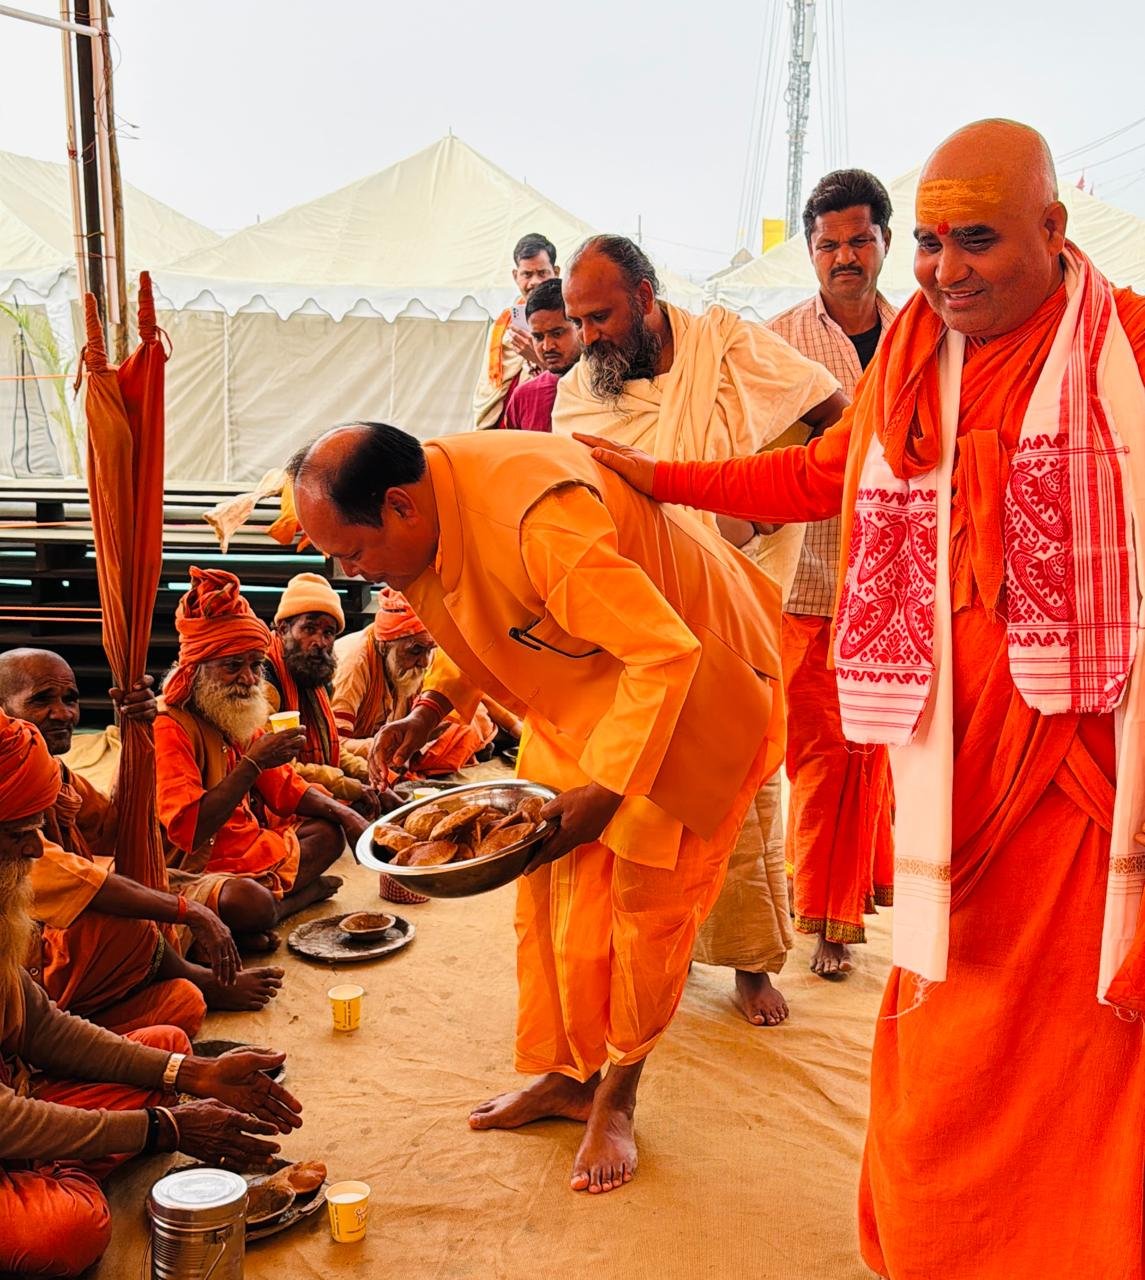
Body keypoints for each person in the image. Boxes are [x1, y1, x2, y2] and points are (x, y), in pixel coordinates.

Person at [580, 119, 1145, 1277]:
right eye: (930, 242)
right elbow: (810, 476)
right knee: (943, 1017)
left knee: (1094, 1035)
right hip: (953, 768)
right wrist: (662, 477)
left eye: (974, 238)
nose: (942, 270)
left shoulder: (1124, 346)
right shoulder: (910, 359)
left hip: (1092, 773)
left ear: (1053, 229)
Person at [287, 421, 784, 1195]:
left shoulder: (539, 520)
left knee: (645, 909)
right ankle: (566, 1075)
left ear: (398, 508)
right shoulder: (438, 489)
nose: (347, 570)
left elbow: (665, 653)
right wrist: (436, 701)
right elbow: (479, 594)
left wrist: (611, 790)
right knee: (550, 889)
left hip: (698, 686)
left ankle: (615, 1097)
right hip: (585, 691)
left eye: (349, 552)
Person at [552, 234, 847, 1026]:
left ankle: (751, 960)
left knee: (744, 785)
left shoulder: (728, 347)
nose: (589, 340)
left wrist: (756, 510)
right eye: (577, 323)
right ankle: (651, 964)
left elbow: (836, 421)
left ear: (646, 297)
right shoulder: (581, 392)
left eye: (602, 317)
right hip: (644, 613)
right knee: (649, 789)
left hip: (740, 599)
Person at [0, 705, 303, 1278]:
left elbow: (39, 1026)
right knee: (69, 1230)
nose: (37, 851)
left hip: (17, 1095)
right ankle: (52, 1171)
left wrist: (192, 1077)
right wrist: (165, 1129)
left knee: (168, 1043)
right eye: (20, 835)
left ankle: (57, 1155)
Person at [0, 649, 283, 1032]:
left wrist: (137, 735)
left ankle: (165, 972)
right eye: (42, 700)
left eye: (70, 700)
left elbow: (116, 829)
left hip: (218, 860)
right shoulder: (176, 723)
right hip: (32, 950)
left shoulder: (57, 772)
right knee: (123, 914)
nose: (64, 714)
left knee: (184, 1003)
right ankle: (189, 969)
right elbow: (80, 876)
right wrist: (188, 912)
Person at [766, 169, 898, 977]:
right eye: (828, 245)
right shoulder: (778, 341)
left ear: (884, 240)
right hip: (808, 579)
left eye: (858, 240)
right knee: (815, 756)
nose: (844, 256)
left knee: (874, 752)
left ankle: (848, 900)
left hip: (896, 583)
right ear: (810, 253)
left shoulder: (926, 330)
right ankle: (819, 913)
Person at [154, 568, 369, 952]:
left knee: (328, 831)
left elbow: (286, 785)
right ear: (197, 668)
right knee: (248, 903)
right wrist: (251, 765)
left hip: (251, 846)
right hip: (194, 868)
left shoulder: (235, 712)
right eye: (232, 666)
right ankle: (287, 903)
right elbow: (189, 831)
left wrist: (346, 813)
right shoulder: (170, 726)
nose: (250, 679)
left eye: (255, 664)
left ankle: (268, 908)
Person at [332, 586, 497, 777]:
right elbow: (336, 743)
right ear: (386, 645)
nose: (425, 661)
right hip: (364, 744)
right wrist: (387, 746)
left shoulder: (418, 659)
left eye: (430, 649)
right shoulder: (354, 664)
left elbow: (470, 683)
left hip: (400, 734)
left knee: (471, 720)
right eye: (416, 650)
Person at [265, 571, 389, 811]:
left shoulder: (312, 673)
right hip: (271, 798)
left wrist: (373, 775)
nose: (319, 642)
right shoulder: (266, 678)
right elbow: (277, 767)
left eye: (328, 633)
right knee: (331, 827)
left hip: (304, 782)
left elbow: (332, 748)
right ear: (282, 629)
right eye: (309, 629)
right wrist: (350, 786)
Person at [473, 232, 560, 429]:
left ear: (556, 271)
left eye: (542, 273)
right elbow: (488, 388)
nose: (534, 282)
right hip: (505, 423)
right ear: (515, 276)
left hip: (546, 418)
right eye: (527, 274)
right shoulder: (503, 325)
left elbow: (575, 377)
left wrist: (539, 358)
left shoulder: (571, 318)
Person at [503, 278, 582, 431]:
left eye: (557, 333)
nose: (547, 346)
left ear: (580, 326)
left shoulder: (606, 389)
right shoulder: (524, 397)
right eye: (538, 337)